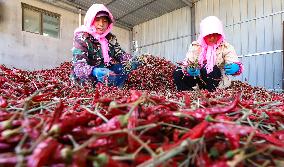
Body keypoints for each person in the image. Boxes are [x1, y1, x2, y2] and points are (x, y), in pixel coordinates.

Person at [173, 16, 243, 92]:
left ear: (220, 34)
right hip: (198, 79)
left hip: (216, 80)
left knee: (210, 69)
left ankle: (211, 93)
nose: (212, 38)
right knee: (178, 72)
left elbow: (232, 60)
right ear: (203, 35)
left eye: (215, 34)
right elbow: (188, 61)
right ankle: (189, 93)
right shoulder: (195, 46)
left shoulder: (226, 47)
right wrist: (188, 69)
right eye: (209, 34)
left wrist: (236, 68)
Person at [71, 4, 132, 87]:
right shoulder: (82, 38)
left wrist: (132, 60)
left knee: (124, 68)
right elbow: (78, 67)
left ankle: (116, 88)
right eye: (97, 20)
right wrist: (94, 71)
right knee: (94, 87)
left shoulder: (110, 38)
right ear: (91, 20)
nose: (101, 24)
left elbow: (120, 53)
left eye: (105, 21)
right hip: (86, 78)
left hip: (105, 71)